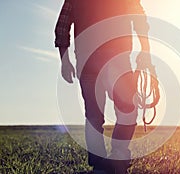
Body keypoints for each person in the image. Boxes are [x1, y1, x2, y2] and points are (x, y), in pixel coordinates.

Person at [55, 0, 153, 173]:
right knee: (127, 109)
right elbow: (139, 19)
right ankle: (119, 155)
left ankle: (100, 166)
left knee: (94, 116)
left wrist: (65, 60)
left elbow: (62, 26)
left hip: (87, 60)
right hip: (116, 56)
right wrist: (145, 50)